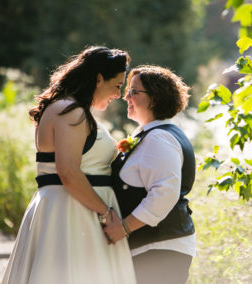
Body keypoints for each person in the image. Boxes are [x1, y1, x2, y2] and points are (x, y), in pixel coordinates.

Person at [2, 46, 136, 284]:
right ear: (98, 78)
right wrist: (106, 214)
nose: (118, 94)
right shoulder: (70, 111)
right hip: (71, 212)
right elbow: (68, 172)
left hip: (75, 208)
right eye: (117, 86)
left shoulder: (72, 110)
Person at [105, 65, 196, 284]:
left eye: (134, 92)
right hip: (152, 248)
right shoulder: (152, 134)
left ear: (154, 98)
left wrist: (124, 228)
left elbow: (165, 193)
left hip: (160, 248)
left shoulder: (159, 138)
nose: (126, 97)